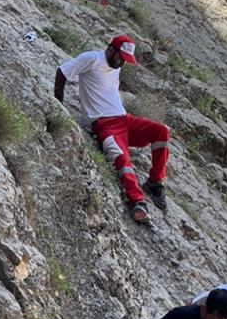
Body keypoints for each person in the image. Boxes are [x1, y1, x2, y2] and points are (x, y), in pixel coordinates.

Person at [53, 34, 170, 222]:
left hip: (125, 119)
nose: (122, 62)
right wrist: (57, 105)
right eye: (120, 57)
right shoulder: (92, 58)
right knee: (122, 159)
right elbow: (62, 71)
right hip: (105, 124)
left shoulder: (116, 66)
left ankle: (155, 183)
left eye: (125, 60)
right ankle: (137, 202)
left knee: (161, 131)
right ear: (110, 49)